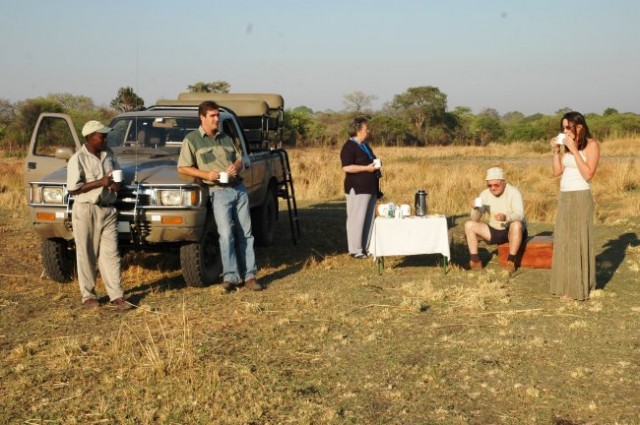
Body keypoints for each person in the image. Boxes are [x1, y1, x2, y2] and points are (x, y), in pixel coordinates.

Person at [177, 101, 262, 291]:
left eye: (217, 115)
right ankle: (230, 277)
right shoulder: (192, 140)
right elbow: (182, 167)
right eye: (213, 116)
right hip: (218, 192)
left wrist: (236, 166)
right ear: (202, 118)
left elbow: (239, 158)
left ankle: (250, 277)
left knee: (246, 235)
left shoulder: (225, 137)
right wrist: (206, 175)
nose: (217, 119)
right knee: (226, 235)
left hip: (238, 188)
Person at [66, 120, 132, 310]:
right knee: (86, 253)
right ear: (89, 137)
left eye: (105, 135)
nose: (105, 138)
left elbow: (117, 173)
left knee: (111, 253)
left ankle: (116, 295)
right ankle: (88, 296)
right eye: (101, 135)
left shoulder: (108, 154)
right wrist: (100, 182)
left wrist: (115, 184)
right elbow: (73, 189)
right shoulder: (78, 158)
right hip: (87, 209)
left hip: (108, 208)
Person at [549, 111, 599, 300]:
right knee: (563, 240)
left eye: (568, 127)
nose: (565, 130)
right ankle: (564, 285)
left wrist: (575, 150)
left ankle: (578, 288)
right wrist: (555, 151)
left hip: (581, 195)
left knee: (578, 240)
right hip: (564, 196)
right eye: (563, 127)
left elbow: (588, 174)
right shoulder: (568, 147)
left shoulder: (592, 145)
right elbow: (556, 172)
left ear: (579, 127)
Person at [465, 167, 527, 272]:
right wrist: (475, 208)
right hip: (495, 230)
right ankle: (475, 260)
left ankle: (511, 260)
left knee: (516, 224)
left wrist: (506, 217)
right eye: (489, 185)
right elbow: (475, 218)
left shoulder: (513, 192)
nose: (493, 188)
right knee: (469, 225)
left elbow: (520, 214)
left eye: (496, 185)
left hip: (512, 230)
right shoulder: (484, 194)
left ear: (503, 182)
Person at [340, 117, 381, 259]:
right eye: (365, 129)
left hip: (370, 187)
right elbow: (346, 167)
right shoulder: (349, 147)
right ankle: (355, 249)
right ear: (357, 130)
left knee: (368, 218)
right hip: (357, 188)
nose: (367, 131)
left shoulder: (364, 145)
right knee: (356, 218)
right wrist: (366, 168)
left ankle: (366, 247)